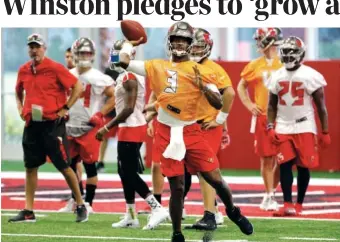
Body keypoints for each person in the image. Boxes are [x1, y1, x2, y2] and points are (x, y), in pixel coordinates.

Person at [118, 21, 253, 242]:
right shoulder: (156, 65)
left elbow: (218, 102)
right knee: (177, 186)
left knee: (215, 178)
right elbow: (123, 62)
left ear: (190, 44)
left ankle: (233, 211)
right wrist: (128, 43)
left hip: (190, 130)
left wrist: (202, 87)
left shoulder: (198, 69)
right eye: (176, 40)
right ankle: (177, 233)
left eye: (184, 40)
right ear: (169, 42)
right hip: (165, 131)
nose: (180, 44)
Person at [9, 33, 88, 223]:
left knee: (64, 167)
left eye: (37, 46)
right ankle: (28, 211)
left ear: (44, 48)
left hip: (53, 125)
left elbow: (78, 87)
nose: (34, 50)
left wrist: (65, 108)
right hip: (32, 125)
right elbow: (18, 91)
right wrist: (20, 107)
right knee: (30, 167)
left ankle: (80, 204)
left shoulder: (55, 68)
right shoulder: (23, 70)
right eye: (31, 47)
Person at [96, 40, 169, 230]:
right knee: (123, 172)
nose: (114, 56)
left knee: (128, 172)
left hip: (132, 126)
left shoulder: (130, 76)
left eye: (118, 53)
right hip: (129, 126)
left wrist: (106, 127)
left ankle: (157, 207)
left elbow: (128, 109)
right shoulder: (124, 75)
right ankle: (130, 214)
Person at [267, 36, 331, 216]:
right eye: (285, 51)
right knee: (284, 164)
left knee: (304, 166)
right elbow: (271, 105)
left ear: (300, 53)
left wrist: (325, 131)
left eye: (291, 52)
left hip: (304, 125)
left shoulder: (311, 75)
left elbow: (321, 106)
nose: (287, 55)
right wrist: (270, 126)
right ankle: (287, 203)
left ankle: (299, 204)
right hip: (283, 125)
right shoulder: (277, 75)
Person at [184, 27, 235, 230]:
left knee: (206, 171)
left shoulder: (213, 69)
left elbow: (229, 94)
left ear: (208, 47)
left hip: (205, 125)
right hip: (191, 125)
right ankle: (215, 211)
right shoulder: (184, 66)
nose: (195, 50)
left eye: (199, 46)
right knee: (201, 172)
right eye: (192, 46)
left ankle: (211, 215)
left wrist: (221, 121)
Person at [58, 37, 116, 213]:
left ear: (92, 55)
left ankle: (89, 203)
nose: (84, 56)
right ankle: (76, 199)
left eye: (87, 52)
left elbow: (114, 97)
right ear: (75, 54)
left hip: (89, 127)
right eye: (81, 52)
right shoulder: (67, 74)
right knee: (69, 165)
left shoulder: (99, 77)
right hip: (69, 126)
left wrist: (100, 113)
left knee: (90, 166)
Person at [237, 28, 283, 211]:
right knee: (266, 158)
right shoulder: (254, 64)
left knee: (283, 158)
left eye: (261, 39)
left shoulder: (284, 63)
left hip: (284, 116)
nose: (258, 43)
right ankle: (269, 193)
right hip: (263, 115)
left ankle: (272, 190)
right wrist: (249, 104)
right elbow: (241, 86)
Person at [96, 67, 120, 173]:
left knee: (123, 138)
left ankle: (122, 161)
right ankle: (100, 161)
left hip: (123, 110)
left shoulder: (125, 71)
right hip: (110, 110)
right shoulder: (108, 72)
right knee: (104, 137)